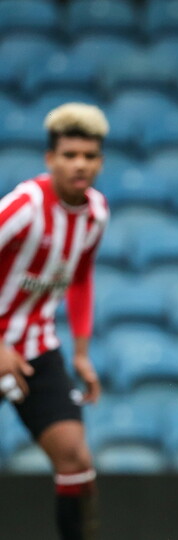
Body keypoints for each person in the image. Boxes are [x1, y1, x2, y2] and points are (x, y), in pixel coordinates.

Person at [0, 103, 109, 539]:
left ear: (100, 162)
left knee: (76, 461)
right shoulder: (25, 205)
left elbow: (80, 279)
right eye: (69, 155)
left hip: (36, 347)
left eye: (88, 155)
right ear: (50, 159)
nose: (79, 164)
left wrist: (81, 354)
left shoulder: (97, 213)